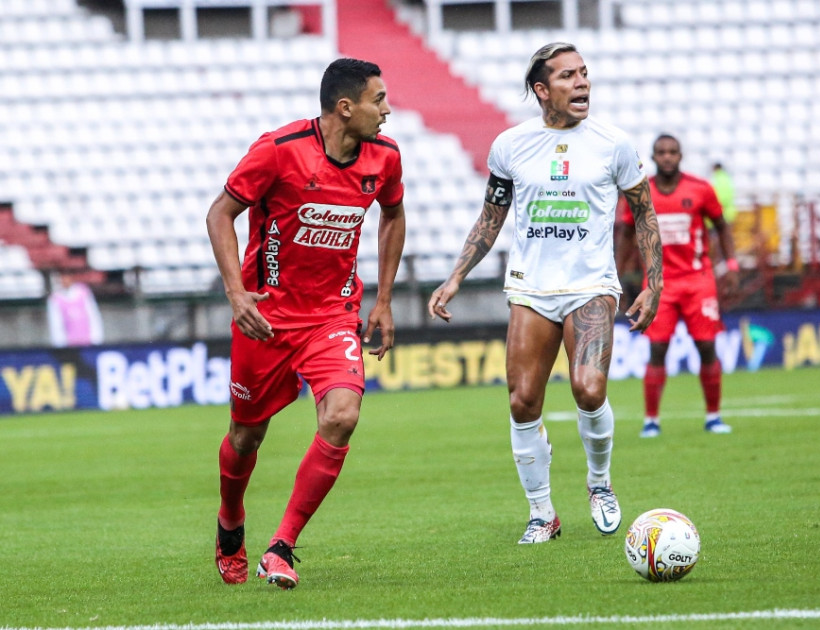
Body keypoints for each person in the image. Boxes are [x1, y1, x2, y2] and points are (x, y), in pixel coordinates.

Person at [427, 43, 663, 544]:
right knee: (522, 402)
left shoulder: (613, 143)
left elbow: (644, 211)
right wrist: (455, 277)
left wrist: (653, 282)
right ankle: (542, 514)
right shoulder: (511, 146)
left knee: (589, 389)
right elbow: (492, 217)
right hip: (532, 287)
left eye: (584, 74)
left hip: (591, 284)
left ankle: (599, 484)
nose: (582, 84)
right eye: (567, 77)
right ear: (541, 90)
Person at [206, 58, 406, 589]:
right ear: (347, 108)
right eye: (378, 100)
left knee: (342, 416)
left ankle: (282, 546)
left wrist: (383, 299)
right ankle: (230, 520)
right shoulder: (278, 150)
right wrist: (236, 294)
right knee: (246, 437)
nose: (387, 111)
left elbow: (393, 213)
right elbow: (219, 213)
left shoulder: (385, 158)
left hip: (332, 316)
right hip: (266, 319)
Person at [616, 134, 738, 438]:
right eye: (661, 152)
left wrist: (731, 264)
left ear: (680, 156)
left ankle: (713, 416)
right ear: (653, 157)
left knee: (706, 346)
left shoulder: (700, 189)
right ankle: (651, 421)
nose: (667, 157)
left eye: (673, 152)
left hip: (698, 280)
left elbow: (722, 227)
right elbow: (628, 234)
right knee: (658, 349)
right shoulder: (640, 192)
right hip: (658, 285)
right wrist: (616, 275)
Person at [46, 272, 104, 347]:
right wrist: (61, 345)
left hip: (89, 341)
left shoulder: (84, 292)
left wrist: (96, 338)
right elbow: (56, 324)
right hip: (69, 345)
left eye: (66, 277)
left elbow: (93, 316)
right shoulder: (55, 299)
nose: (64, 280)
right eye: (62, 278)